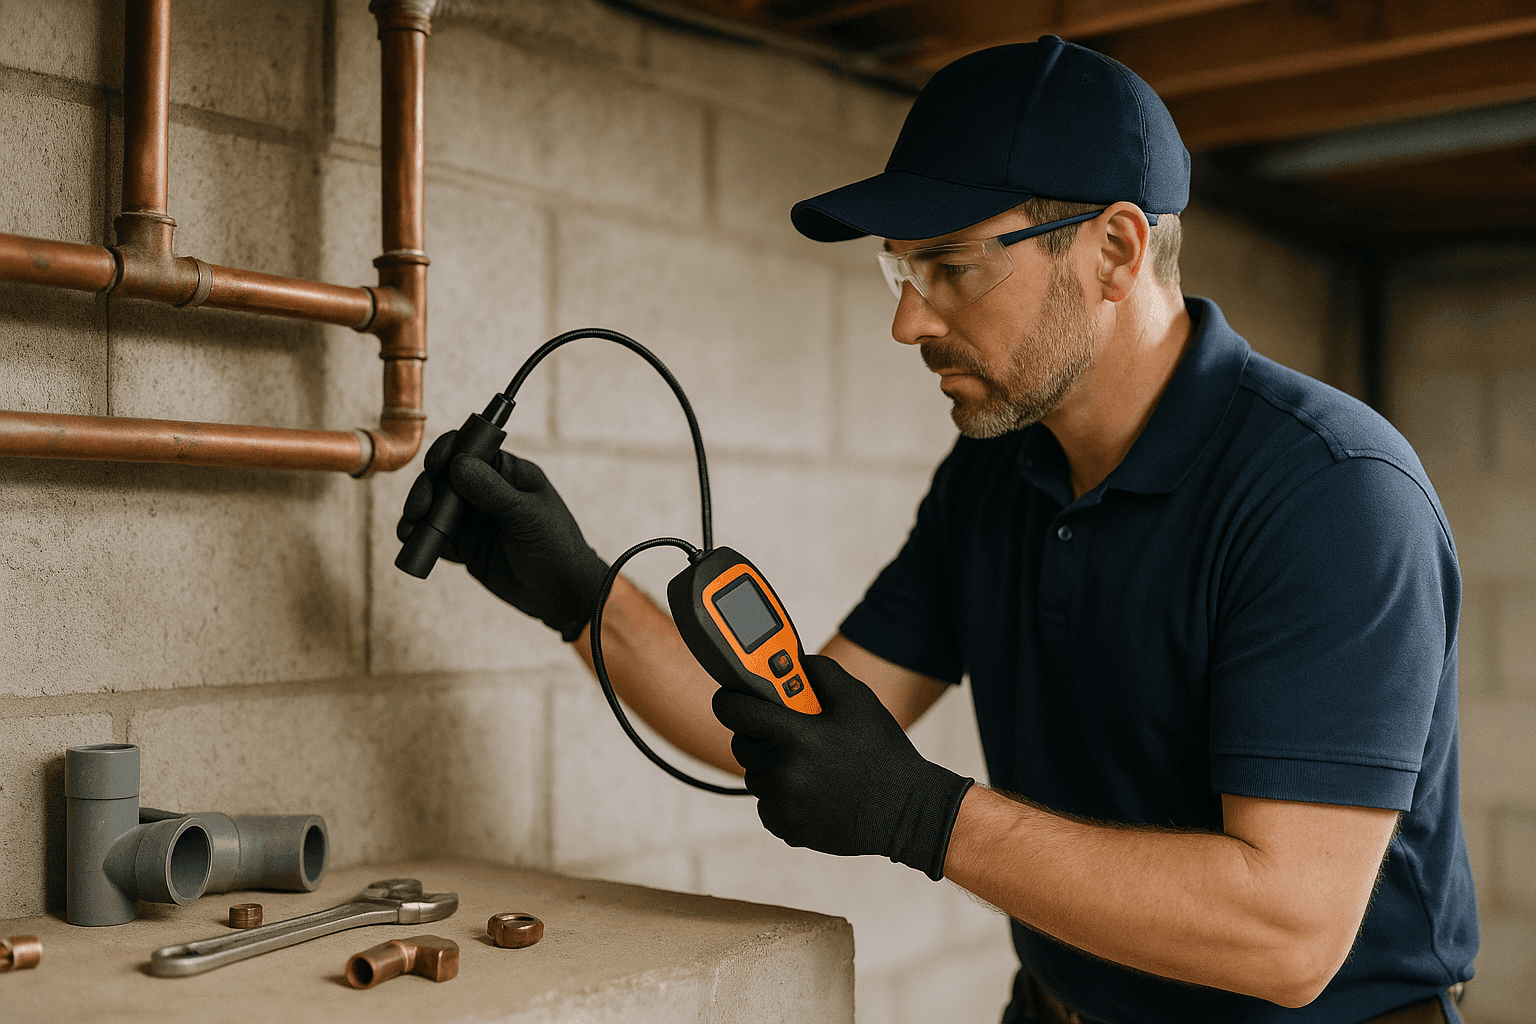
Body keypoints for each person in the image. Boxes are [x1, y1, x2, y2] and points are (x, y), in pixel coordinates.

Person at [399, 36, 1477, 1024]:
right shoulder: (996, 475)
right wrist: (582, 595)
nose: (908, 318)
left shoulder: (1328, 494)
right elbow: (795, 719)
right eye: (899, 267)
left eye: (950, 266)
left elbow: (1287, 933)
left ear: (1113, 248)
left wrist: (928, 815)